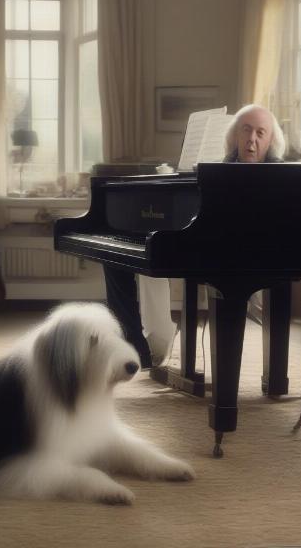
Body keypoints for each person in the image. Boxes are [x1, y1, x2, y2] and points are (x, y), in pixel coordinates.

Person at [104, 104, 286, 369]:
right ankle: (135, 347)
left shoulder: (282, 178)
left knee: (230, 284)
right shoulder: (218, 168)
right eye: (246, 131)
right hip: (201, 242)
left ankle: (234, 389)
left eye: (260, 133)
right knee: (115, 255)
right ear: (235, 136)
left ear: (270, 141)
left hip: (242, 252)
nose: (252, 139)